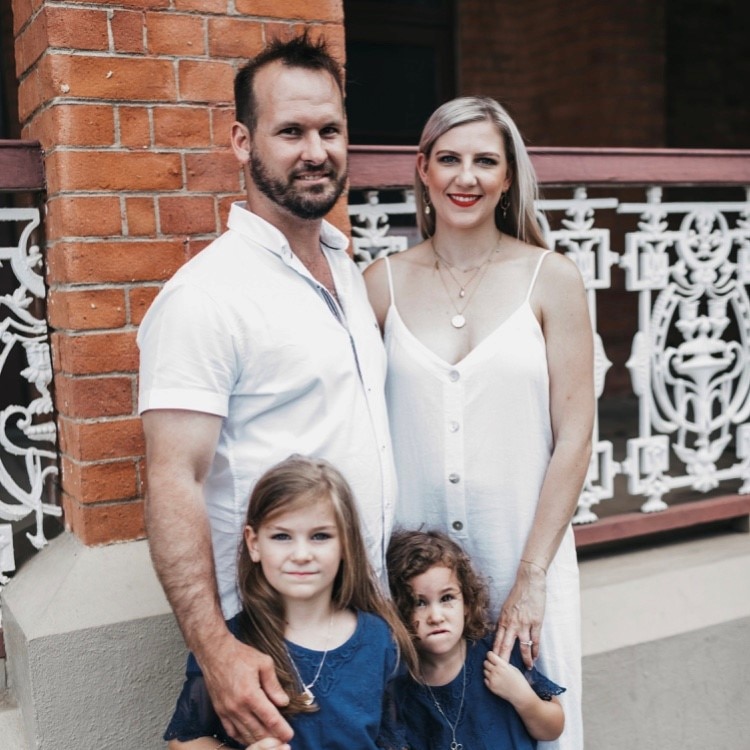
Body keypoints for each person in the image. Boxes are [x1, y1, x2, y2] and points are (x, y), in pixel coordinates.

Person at [137, 33, 396, 747]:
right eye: (291, 132)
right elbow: (173, 479)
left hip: (358, 627)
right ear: (242, 142)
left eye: (330, 130)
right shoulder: (206, 297)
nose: (316, 150)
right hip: (265, 648)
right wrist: (218, 651)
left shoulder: (347, 270)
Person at [363, 96, 594, 750]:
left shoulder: (552, 280)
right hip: (420, 585)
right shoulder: (378, 284)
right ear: (424, 171)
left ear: (508, 177)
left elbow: (575, 436)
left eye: (485, 161)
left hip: (526, 549)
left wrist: (531, 577)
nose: (466, 176)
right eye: (450, 159)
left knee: (538, 727)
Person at [164, 455, 416, 749]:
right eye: (282, 536)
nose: (301, 554)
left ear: (346, 544)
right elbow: (184, 741)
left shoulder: (380, 639)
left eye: (320, 536)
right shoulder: (231, 645)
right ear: (254, 544)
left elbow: (397, 738)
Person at [386, 530, 565, 749]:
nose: (436, 616)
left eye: (447, 598)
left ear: (467, 604)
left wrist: (522, 697)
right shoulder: (403, 686)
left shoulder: (499, 655)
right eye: (419, 603)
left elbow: (553, 728)